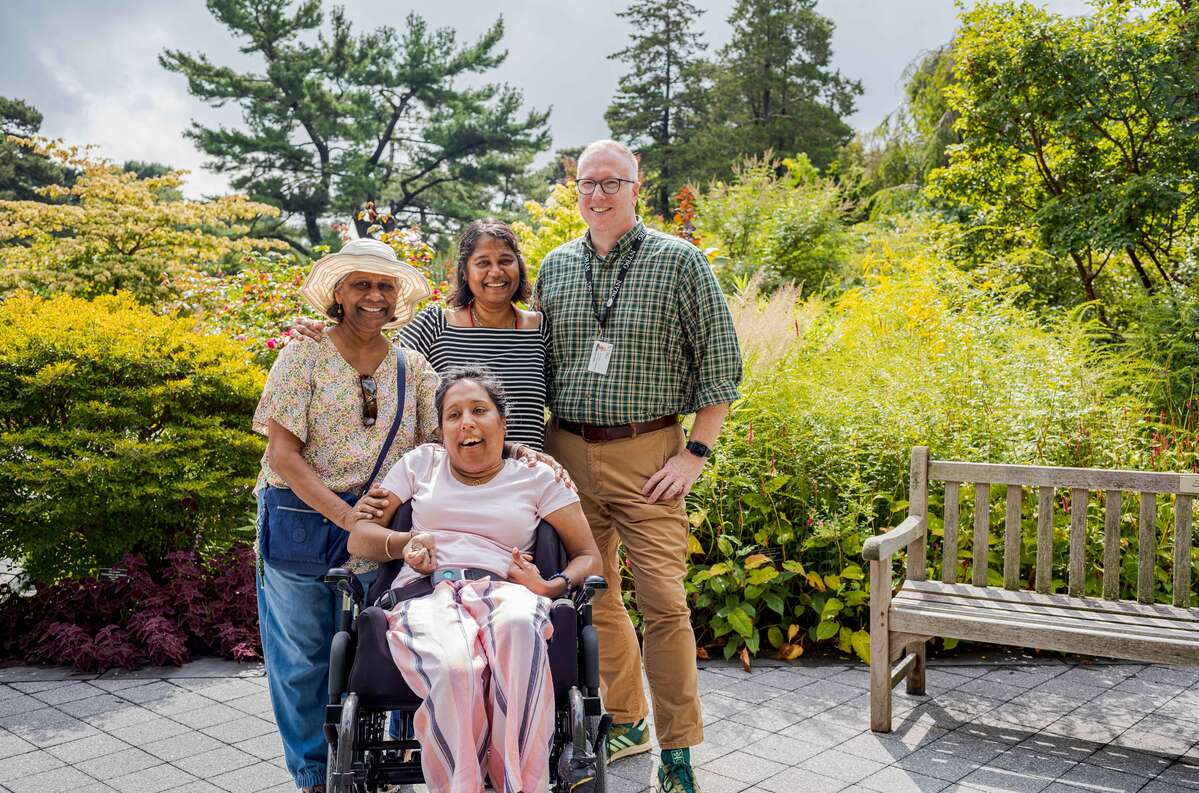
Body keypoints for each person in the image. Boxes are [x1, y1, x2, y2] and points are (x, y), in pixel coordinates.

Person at [534, 140, 743, 793]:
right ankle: (626, 720)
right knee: (589, 595)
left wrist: (694, 452)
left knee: (663, 604)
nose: (597, 194)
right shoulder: (555, 267)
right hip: (566, 452)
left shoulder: (678, 262)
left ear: (636, 186)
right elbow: (514, 346)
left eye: (611, 182)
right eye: (587, 183)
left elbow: (720, 368)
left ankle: (677, 750)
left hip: (650, 454)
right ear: (576, 191)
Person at [347, 366, 601, 793]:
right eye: (453, 414)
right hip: (428, 594)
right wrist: (404, 543)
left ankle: (519, 785)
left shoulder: (538, 476)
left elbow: (589, 556)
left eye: (479, 410)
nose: (466, 422)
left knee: (521, 627)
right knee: (455, 668)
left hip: (508, 591)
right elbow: (360, 536)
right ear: (442, 429)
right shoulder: (420, 464)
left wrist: (550, 586)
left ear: (503, 421)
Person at [253, 238, 440, 792]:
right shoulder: (302, 354)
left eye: (385, 286)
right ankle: (315, 776)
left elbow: (434, 448)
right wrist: (346, 516)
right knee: (303, 660)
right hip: (303, 518)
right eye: (361, 284)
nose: (374, 296)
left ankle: (380, 770)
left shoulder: (412, 366)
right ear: (338, 292)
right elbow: (283, 455)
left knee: (386, 652)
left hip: (381, 527)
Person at [294, 219, 550, 449]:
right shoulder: (435, 324)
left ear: (519, 265)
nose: (495, 272)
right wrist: (320, 330)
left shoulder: (540, 329)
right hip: (451, 479)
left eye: (505, 260)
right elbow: (377, 361)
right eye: (483, 263)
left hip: (527, 479)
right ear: (465, 271)